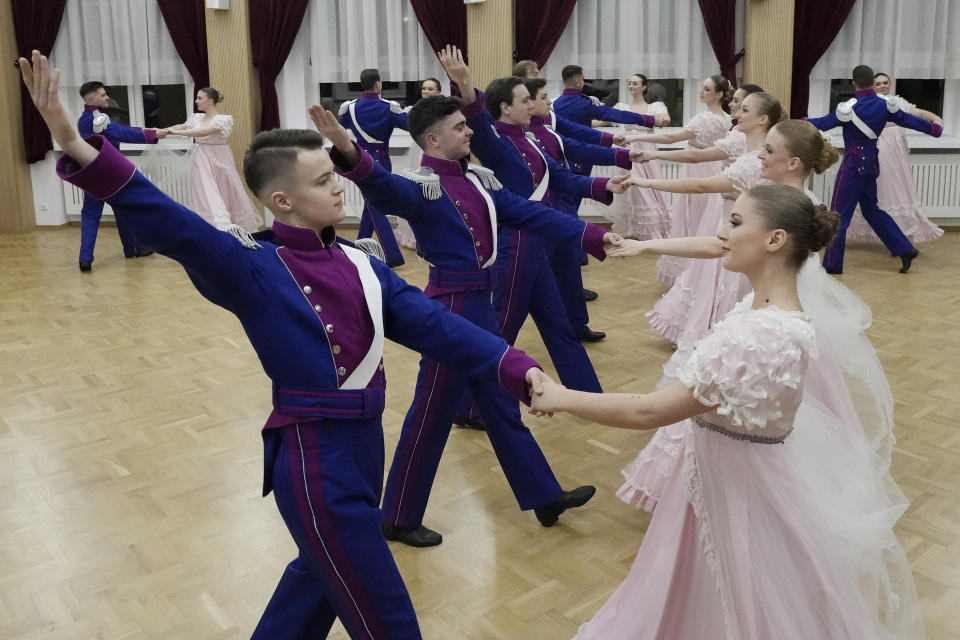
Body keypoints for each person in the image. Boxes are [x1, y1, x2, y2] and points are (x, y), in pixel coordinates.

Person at [17, 50, 556, 640]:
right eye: (325, 180)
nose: (340, 187)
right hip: (315, 462)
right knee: (388, 618)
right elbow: (168, 219)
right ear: (283, 201)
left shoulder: (361, 260)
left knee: (313, 587)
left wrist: (514, 364)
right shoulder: (254, 267)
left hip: (363, 449)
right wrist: (74, 141)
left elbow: (436, 326)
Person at [531, 184, 924, 640]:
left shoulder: (762, 335)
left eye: (736, 223)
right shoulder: (759, 311)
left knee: (748, 599)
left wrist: (560, 397)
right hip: (714, 480)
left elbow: (650, 412)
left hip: (741, 493)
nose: (723, 233)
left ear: (775, 240)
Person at [314, 97, 619, 548]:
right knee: (430, 416)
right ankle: (397, 515)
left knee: (499, 406)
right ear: (433, 139)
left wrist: (593, 234)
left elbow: (531, 212)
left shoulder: (477, 180)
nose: (470, 131)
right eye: (460, 127)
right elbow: (378, 183)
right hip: (450, 310)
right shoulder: (423, 187)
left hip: (478, 304)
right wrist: (344, 144)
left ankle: (543, 495)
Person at [437, 45, 629, 429]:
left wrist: (606, 181)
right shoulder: (497, 140)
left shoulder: (533, 138)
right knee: (501, 328)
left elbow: (558, 178)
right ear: (504, 108)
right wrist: (465, 84)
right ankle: (468, 408)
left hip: (536, 246)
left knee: (559, 326)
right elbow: (478, 116)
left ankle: (588, 396)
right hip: (516, 247)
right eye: (525, 99)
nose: (532, 104)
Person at [629, 92, 783, 345]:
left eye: (745, 109)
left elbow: (700, 184)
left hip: (745, 228)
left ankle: (729, 340)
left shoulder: (755, 161)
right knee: (718, 275)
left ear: (763, 119)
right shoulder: (748, 148)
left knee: (732, 281)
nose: (736, 111)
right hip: (732, 218)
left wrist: (646, 181)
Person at [524, 76, 639, 343]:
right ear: (527, 103)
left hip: (562, 207)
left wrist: (621, 154)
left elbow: (579, 145)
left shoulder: (547, 129)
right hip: (542, 214)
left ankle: (577, 326)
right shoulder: (522, 138)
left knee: (569, 271)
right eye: (543, 97)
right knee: (540, 279)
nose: (549, 100)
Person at [806, 64, 943, 274]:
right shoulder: (885, 105)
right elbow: (909, 120)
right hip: (872, 163)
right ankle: (904, 249)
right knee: (872, 210)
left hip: (852, 165)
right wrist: (934, 129)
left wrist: (794, 123)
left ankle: (832, 265)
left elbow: (823, 123)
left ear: (853, 83)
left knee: (839, 215)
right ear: (872, 82)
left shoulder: (849, 108)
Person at [626, 76, 733, 284]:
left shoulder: (706, 119)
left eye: (707, 89)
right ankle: (702, 271)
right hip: (711, 166)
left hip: (699, 168)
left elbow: (670, 138)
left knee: (694, 219)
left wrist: (636, 137)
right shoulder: (725, 118)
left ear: (719, 94)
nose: (702, 91)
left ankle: (693, 273)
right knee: (706, 218)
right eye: (702, 87)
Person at [75, 80, 166, 271]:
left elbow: (121, 130)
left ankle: (85, 258)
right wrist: (153, 135)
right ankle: (133, 249)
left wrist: (147, 131)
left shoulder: (87, 118)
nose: (107, 96)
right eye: (102, 95)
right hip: (108, 173)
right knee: (124, 209)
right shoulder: (96, 119)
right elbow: (122, 133)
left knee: (90, 214)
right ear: (91, 98)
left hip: (91, 174)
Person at [847, 73, 944, 245]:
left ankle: (899, 234)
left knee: (900, 185)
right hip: (879, 147)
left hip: (897, 150)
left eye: (886, 82)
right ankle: (885, 231)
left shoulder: (896, 102)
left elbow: (917, 113)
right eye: (878, 83)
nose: (883, 86)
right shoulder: (870, 103)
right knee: (884, 185)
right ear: (872, 86)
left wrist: (935, 118)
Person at [164, 87, 262, 232]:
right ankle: (212, 226)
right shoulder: (196, 118)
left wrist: (176, 132)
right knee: (205, 189)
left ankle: (226, 226)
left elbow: (203, 132)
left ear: (210, 101)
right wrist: (164, 130)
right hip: (200, 158)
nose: (196, 101)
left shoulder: (223, 120)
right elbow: (183, 125)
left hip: (218, 158)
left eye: (200, 98)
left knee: (225, 189)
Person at [338, 68, 409, 266]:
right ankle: (392, 255)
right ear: (378, 83)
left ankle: (358, 248)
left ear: (362, 84)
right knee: (376, 205)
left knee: (372, 203)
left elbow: (338, 128)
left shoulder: (349, 107)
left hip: (360, 161)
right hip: (382, 161)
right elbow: (409, 126)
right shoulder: (389, 107)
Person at [611, 73, 672, 239]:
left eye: (635, 83)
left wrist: (650, 120)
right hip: (627, 151)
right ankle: (630, 227)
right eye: (629, 83)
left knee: (648, 186)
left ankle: (652, 229)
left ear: (643, 87)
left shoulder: (656, 107)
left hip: (646, 149)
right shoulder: (622, 107)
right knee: (629, 186)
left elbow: (665, 120)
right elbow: (601, 120)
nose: (631, 86)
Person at [395, 77, 444, 250]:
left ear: (438, 91)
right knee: (417, 189)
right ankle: (415, 235)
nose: (426, 92)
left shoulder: (445, 111)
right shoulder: (415, 110)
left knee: (438, 190)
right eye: (424, 89)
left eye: (430, 89)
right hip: (418, 150)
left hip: (438, 150)